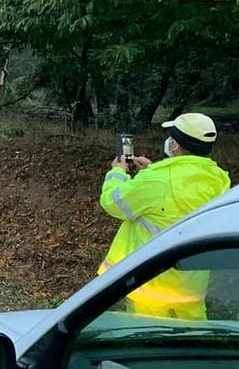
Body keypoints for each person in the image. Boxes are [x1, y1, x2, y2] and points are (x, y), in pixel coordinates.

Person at [98, 113, 231, 320]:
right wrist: (152, 169)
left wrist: (117, 173)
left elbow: (112, 202)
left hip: (150, 284)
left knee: (148, 341)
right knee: (195, 341)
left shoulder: (157, 180)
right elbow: (178, 195)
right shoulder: (219, 179)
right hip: (191, 286)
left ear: (175, 145)